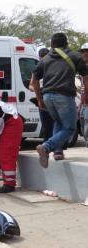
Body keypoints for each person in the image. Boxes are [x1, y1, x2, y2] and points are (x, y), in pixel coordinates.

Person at [32, 33, 88, 168]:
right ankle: (46, 147)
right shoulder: (75, 56)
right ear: (66, 43)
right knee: (70, 127)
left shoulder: (44, 60)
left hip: (47, 96)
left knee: (58, 121)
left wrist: (39, 99)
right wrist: (86, 93)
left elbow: (34, 81)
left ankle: (58, 151)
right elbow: (85, 77)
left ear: (52, 45)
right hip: (64, 96)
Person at [29, 48, 54, 143]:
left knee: (56, 123)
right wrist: (38, 89)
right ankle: (46, 146)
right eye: (41, 58)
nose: (43, 60)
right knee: (46, 125)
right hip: (42, 99)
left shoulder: (54, 68)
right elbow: (31, 85)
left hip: (53, 99)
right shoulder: (37, 69)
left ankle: (56, 146)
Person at [79, 43, 88, 147]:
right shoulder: (83, 67)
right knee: (82, 126)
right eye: (81, 51)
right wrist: (81, 103)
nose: (82, 54)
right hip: (83, 102)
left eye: (84, 51)